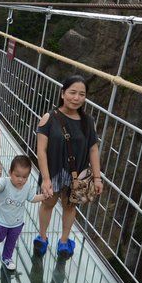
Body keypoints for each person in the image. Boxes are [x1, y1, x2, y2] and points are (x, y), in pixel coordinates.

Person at [34, 75, 104, 260]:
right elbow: (41, 150)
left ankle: (63, 241)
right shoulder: (49, 118)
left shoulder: (88, 121)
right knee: (48, 203)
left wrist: (97, 178)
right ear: (63, 93)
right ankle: (42, 237)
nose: (77, 98)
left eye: (82, 94)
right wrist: (46, 179)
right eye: (72, 92)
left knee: (70, 206)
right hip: (53, 172)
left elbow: (93, 149)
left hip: (76, 174)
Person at [0, 155, 46, 271]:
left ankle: (7, 257)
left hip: (17, 222)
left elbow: (32, 198)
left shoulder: (27, 186)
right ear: (10, 172)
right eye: (17, 175)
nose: (21, 179)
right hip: (1, 221)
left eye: (24, 177)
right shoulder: (5, 182)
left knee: (11, 241)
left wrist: (44, 196)